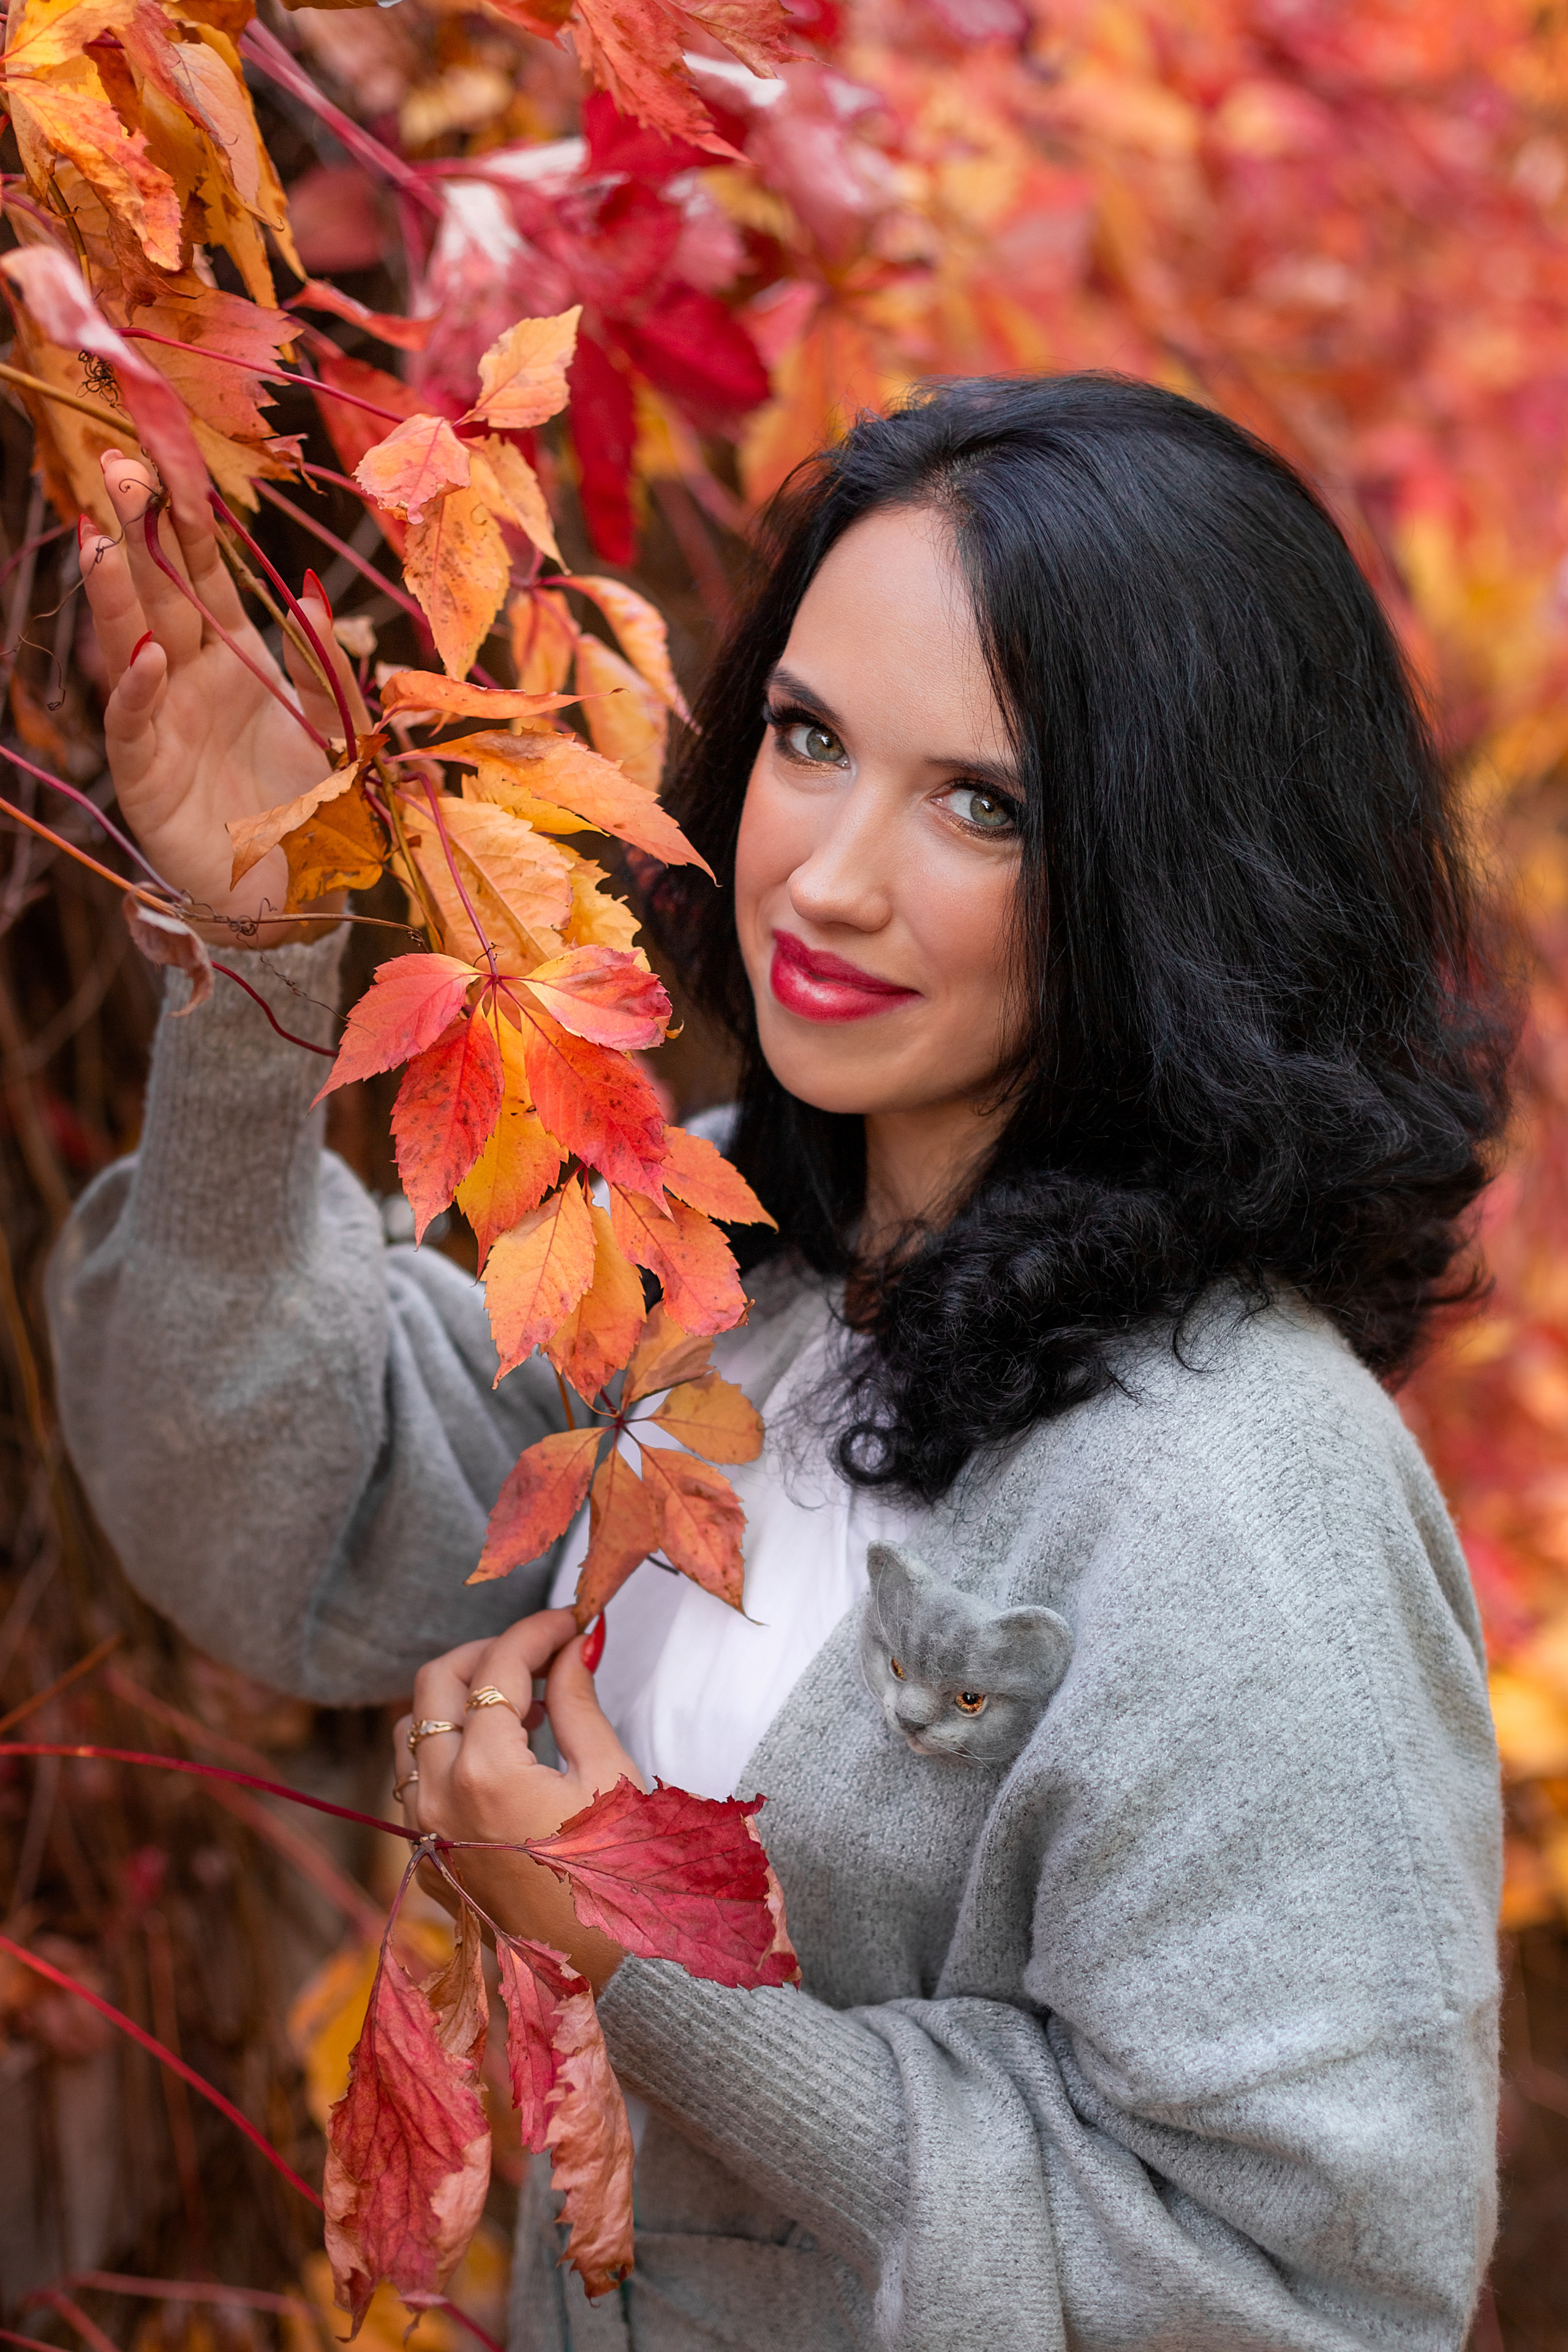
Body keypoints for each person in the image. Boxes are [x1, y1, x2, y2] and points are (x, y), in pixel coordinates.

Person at [50, 377, 1509, 2352]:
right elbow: (273, 1520)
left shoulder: (1239, 1494)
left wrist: (639, 1964)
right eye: (812, 740)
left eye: (982, 803)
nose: (824, 875)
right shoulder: (717, 1260)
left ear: (1180, 873)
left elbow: (1308, 2297)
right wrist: (248, 972)